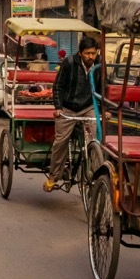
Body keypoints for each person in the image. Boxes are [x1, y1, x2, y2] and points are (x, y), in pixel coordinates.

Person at [43, 36, 101, 192]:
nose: (91, 56)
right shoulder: (69, 63)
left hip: (88, 106)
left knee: (96, 138)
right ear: (80, 53)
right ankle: (54, 176)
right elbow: (58, 86)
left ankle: (96, 171)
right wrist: (58, 107)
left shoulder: (100, 66)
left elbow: (104, 89)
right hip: (68, 107)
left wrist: (105, 111)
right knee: (61, 142)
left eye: (93, 53)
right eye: (88, 53)